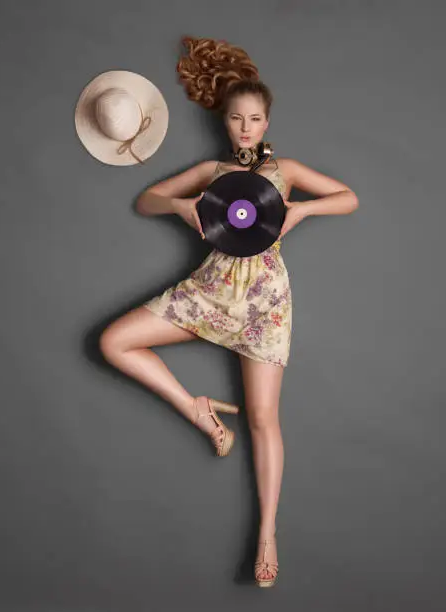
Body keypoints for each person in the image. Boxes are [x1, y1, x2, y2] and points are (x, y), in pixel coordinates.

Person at [99, 36, 359, 587]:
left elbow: (348, 197)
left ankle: (267, 534)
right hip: (210, 291)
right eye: (237, 118)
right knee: (114, 341)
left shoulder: (285, 169)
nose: (245, 127)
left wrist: (302, 212)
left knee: (265, 420)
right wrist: (179, 204)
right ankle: (196, 409)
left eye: (255, 118)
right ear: (226, 123)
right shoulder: (211, 171)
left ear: (267, 123)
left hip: (265, 303)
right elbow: (145, 200)